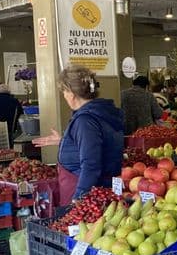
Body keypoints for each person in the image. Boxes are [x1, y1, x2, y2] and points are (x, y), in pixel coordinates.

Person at [33, 66, 124, 205]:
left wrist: (79, 197)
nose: (64, 95)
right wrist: (66, 141)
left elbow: (91, 164)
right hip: (100, 189)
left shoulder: (85, 121)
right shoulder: (101, 113)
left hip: (85, 192)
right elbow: (97, 145)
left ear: (71, 93)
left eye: (64, 91)